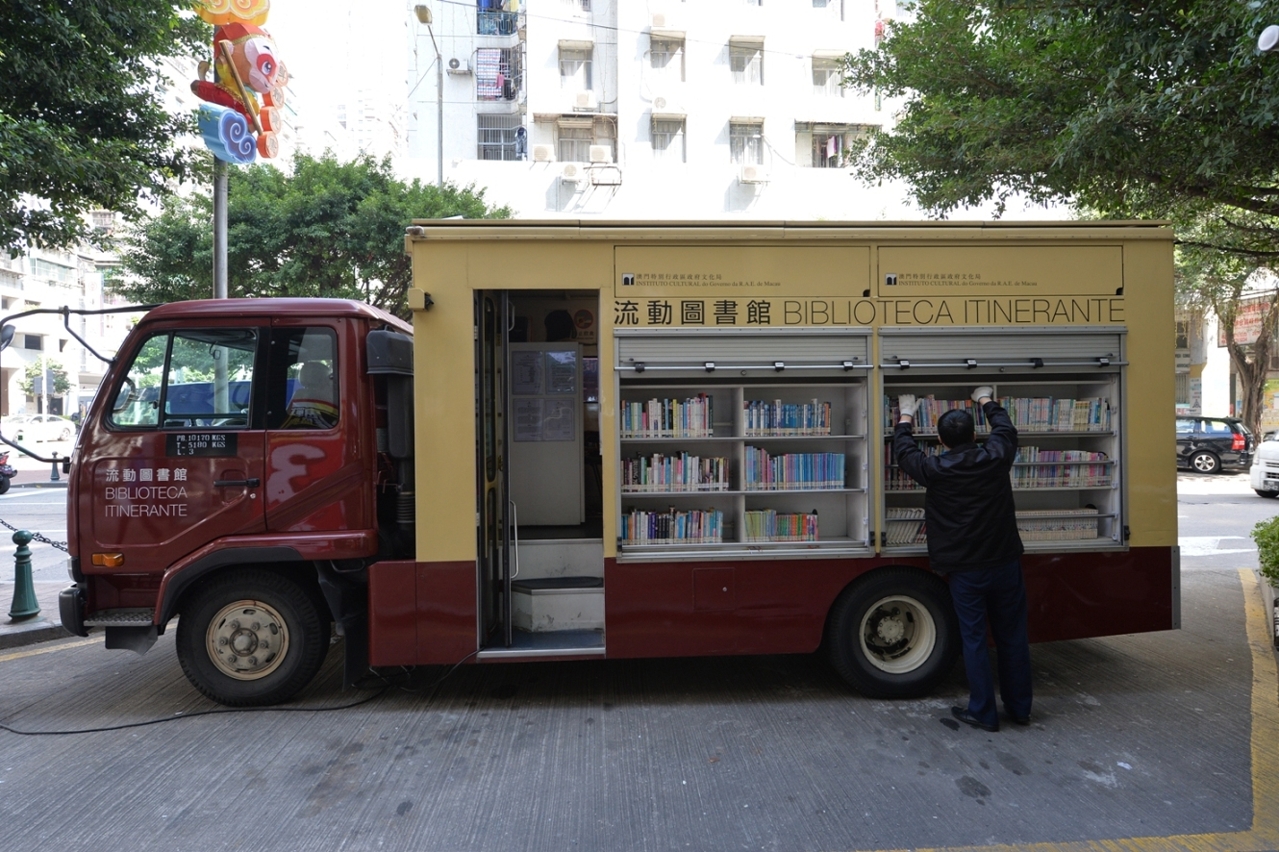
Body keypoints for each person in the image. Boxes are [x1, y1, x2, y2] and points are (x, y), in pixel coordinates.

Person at [893, 386, 1032, 732]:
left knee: (974, 639)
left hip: (965, 570)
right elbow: (1005, 429)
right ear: (975, 435)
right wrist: (985, 400)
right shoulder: (996, 456)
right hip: (1004, 563)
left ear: (940, 441)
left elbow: (904, 452)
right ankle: (1020, 708)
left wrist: (906, 417)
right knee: (1013, 637)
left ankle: (983, 712)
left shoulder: (935, 469)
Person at [281, 361, 338, 429]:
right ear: (322, 379)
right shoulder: (326, 396)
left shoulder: (298, 394)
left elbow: (287, 417)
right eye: (329, 378)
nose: (330, 381)